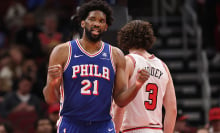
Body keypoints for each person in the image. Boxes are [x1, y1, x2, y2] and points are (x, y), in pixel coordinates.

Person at [42, 0, 149, 133]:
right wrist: (52, 82)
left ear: (106, 26)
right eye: (92, 19)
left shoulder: (115, 55)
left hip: (103, 125)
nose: (96, 24)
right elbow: (50, 99)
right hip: (71, 123)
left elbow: (120, 100)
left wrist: (138, 84)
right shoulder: (63, 51)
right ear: (83, 22)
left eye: (101, 21)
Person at [112, 20, 177, 133]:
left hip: (132, 129)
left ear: (124, 38)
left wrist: (114, 130)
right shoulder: (163, 66)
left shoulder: (128, 61)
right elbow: (172, 110)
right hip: (157, 129)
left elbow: (120, 104)